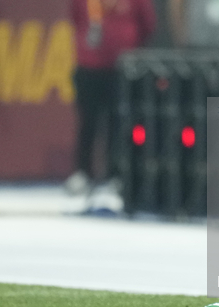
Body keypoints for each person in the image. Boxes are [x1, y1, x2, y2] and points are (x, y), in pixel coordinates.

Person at [66, 0, 156, 196]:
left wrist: (129, 45)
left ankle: (116, 175)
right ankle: (83, 173)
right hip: (89, 65)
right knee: (88, 121)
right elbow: (75, 18)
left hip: (123, 67)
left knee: (120, 124)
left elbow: (148, 25)